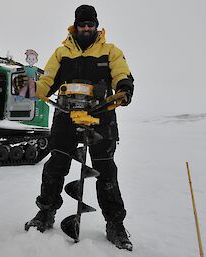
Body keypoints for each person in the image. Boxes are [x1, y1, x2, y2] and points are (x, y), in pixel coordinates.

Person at [22, 5, 134, 251]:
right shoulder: (62, 52)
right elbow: (47, 80)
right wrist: (34, 90)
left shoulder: (110, 51)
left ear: (96, 25)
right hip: (65, 115)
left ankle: (115, 225)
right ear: (75, 25)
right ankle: (46, 212)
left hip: (101, 115)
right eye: (82, 25)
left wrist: (124, 87)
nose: (86, 29)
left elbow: (121, 73)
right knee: (55, 166)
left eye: (90, 25)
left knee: (105, 170)